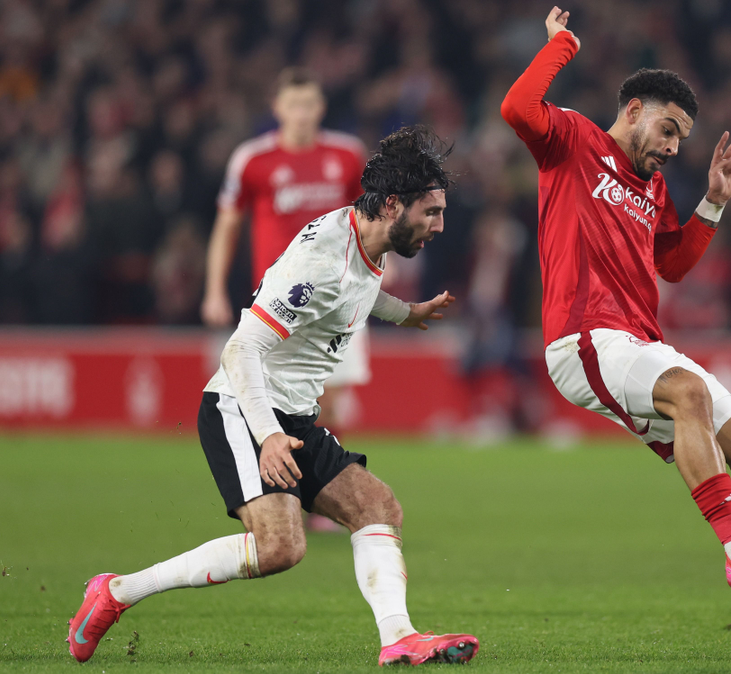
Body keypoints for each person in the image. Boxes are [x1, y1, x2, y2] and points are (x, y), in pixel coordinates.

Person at [68, 127, 478, 666]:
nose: (439, 226)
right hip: (243, 406)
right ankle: (117, 592)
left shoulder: (365, 238)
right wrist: (268, 435)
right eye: (431, 212)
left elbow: (357, 289)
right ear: (393, 205)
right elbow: (240, 350)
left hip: (294, 415)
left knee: (377, 507)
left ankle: (399, 638)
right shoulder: (321, 262)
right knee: (280, 547)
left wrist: (405, 312)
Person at [501, 7, 731, 597]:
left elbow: (672, 265)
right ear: (634, 110)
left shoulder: (655, 187)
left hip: (640, 341)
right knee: (689, 394)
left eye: (681, 139)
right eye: (668, 130)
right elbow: (517, 108)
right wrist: (562, 46)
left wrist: (714, 202)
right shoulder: (573, 140)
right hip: (584, 337)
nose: (672, 147)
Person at [202, 70, 371, 529]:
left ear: (321, 108)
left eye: (309, 104)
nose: (302, 114)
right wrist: (214, 288)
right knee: (280, 399)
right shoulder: (252, 160)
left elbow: (370, 220)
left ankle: (320, 496)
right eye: (293, 104)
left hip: (339, 294)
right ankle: (283, 491)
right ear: (277, 108)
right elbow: (228, 224)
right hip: (281, 301)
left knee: (330, 401)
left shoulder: (346, 155)